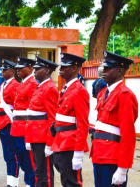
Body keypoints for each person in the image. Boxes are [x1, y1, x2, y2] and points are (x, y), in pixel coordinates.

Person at [91, 51, 138, 187]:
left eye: (108, 68)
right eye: (103, 68)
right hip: (99, 154)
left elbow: (128, 134)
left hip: (113, 157)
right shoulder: (102, 93)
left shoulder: (125, 95)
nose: (103, 71)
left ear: (120, 71)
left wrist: (123, 168)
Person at [50, 53, 89, 187]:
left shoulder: (79, 91)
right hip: (61, 141)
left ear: (74, 68)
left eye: (64, 67)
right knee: (65, 181)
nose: (60, 69)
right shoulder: (66, 89)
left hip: (71, 144)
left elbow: (83, 124)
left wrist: (78, 153)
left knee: (72, 182)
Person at [25, 57, 59, 187]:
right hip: (35, 135)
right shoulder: (41, 87)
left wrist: (49, 144)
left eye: (38, 69)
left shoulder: (49, 88)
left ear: (46, 70)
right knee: (38, 171)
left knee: (45, 175)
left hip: (43, 137)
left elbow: (52, 118)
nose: (34, 71)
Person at [11, 57, 38, 187]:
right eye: (17, 68)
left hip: (24, 128)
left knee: (28, 162)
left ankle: (30, 184)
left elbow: (32, 110)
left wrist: (29, 133)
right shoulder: (22, 83)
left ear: (30, 68)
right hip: (17, 127)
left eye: (21, 68)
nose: (18, 70)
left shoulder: (32, 84)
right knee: (21, 160)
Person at [0, 59, 20, 187]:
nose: (2, 72)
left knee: (12, 154)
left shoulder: (15, 85)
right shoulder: (2, 85)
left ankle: (14, 182)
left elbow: (17, 107)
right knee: (6, 154)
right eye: (2, 70)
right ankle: (9, 180)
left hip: (10, 122)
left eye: (5, 70)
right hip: (2, 122)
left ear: (12, 71)